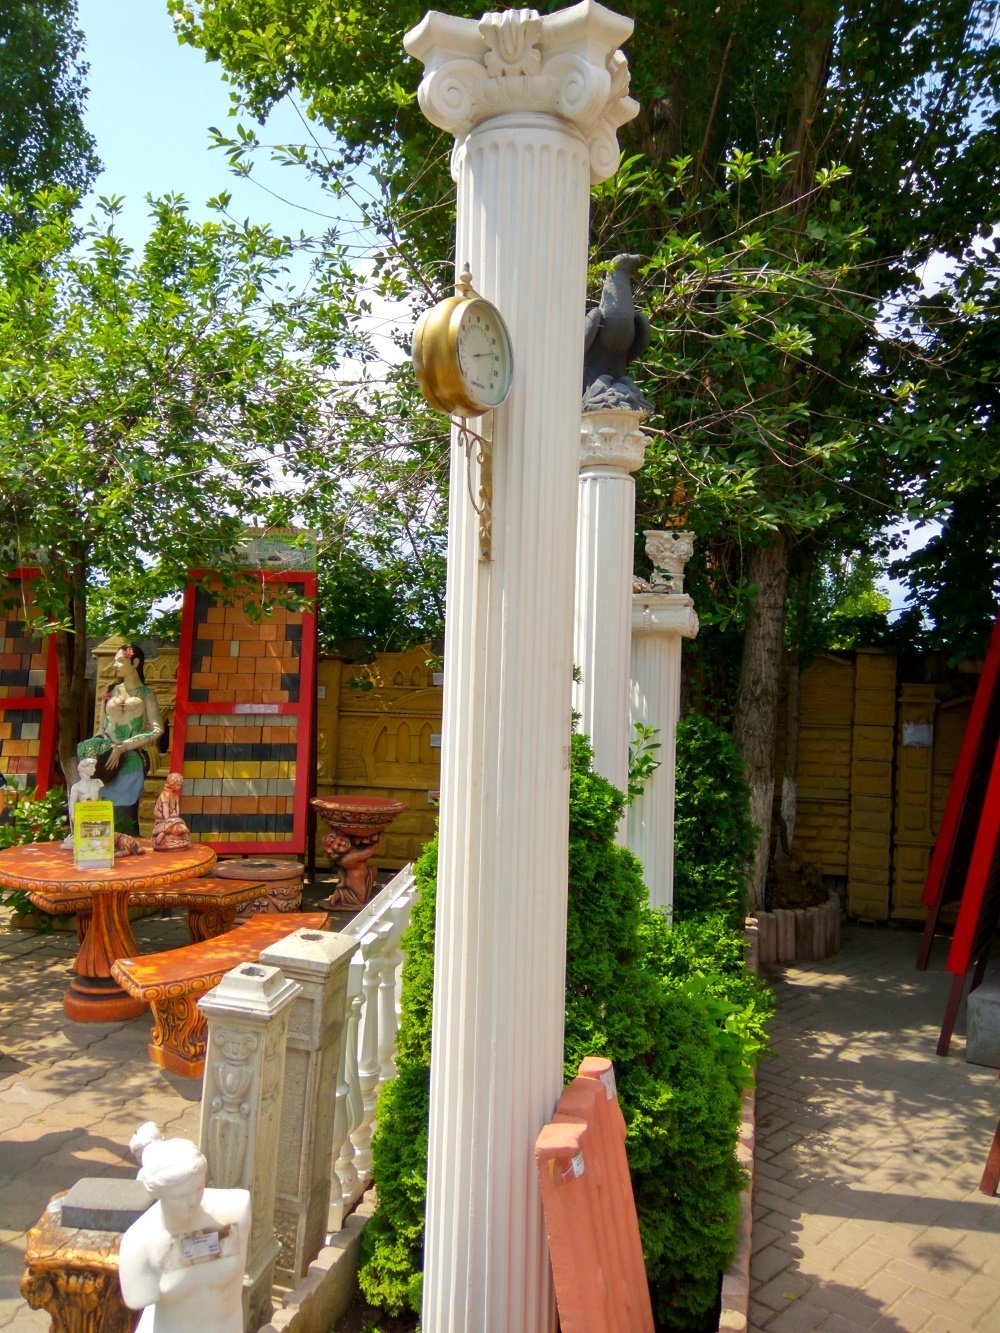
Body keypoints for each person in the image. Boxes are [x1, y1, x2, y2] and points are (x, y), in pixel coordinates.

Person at [119, 1131, 250, 1333]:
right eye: (181, 1196)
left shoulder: (236, 1210)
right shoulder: (138, 1244)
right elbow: (137, 1297)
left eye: (199, 1189)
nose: (193, 1201)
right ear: (159, 1194)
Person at [79, 643, 163, 836]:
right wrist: (94, 751)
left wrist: (123, 747)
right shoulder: (110, 691)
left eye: (120, 661)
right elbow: (101, 728)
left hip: (129, 759)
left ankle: (127, 845)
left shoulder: (147, 694)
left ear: (135, 662)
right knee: (99, 811)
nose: (115, 665)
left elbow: (157, 729)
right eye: (114, 661)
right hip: (104, 758)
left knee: (124, 815)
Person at [60, 756, 104, 850]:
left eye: (94, 766)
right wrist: (73, 816)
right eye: (91, 767)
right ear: (83, 768)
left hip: (97, 815)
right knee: (80, 839)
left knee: (100, 837)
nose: (94, 769)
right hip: (84, 816)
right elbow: (72, 803)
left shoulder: (98, 782)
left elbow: (101, 800)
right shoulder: (76, 786)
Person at [151, 772, 190, 851]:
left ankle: (180, 834)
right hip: (162, 817)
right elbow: (165, 808)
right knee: (170, 825)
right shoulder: (165, 794)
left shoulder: (175, 795)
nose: (179, 787)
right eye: (178, 785)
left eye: (180, 785)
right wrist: (167, 819)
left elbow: (177, 806)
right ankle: (162, 833)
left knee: (180, 824)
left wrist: (177, 817)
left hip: (172, 816)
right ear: (172, 784)